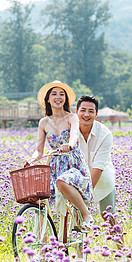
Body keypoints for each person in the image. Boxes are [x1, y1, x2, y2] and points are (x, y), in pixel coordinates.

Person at [29, 81, 94, 230]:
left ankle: (86, 214)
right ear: (48, 99)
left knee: (62, 181)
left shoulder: (71, 117)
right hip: (55, 165)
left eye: (61, 94)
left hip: (74, 164)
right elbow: (39, 150)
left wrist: (70, 144)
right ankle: (43, 244)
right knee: (40, 199)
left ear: (65, 99)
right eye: (54, 94)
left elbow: (75, 134)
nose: (58, 97)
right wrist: (31, 160)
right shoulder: (43, 122)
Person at [76, 95, 124, 247]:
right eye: (83, 110)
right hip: (77, 178)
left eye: (91, 111)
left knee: (108, 215)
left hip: (102, 179)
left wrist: (86, 193)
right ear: (76, 112)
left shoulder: (104, 134)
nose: (86, 114)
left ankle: (122, 251)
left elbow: (98, 166)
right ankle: (78, 254)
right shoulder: (70, 131)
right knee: (75, 215)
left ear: (96, 114)